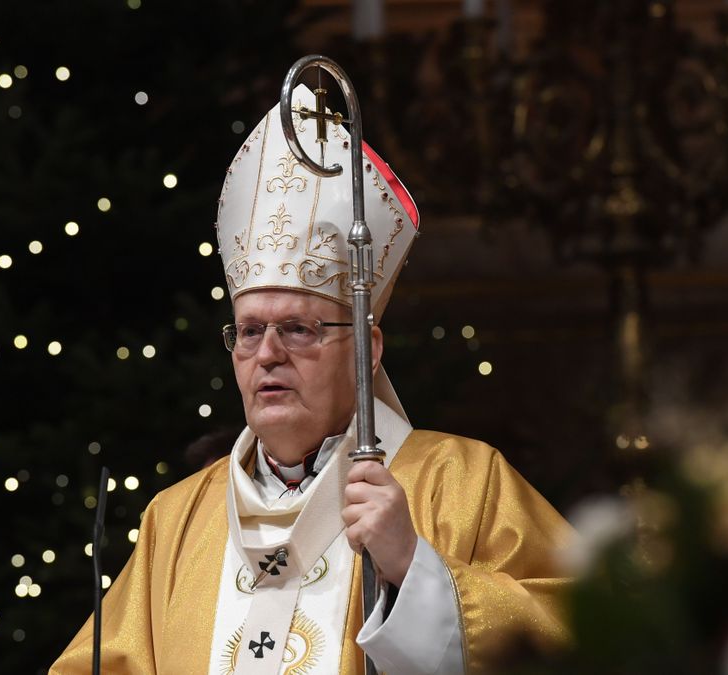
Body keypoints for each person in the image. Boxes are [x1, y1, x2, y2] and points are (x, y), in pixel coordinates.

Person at [50, 85, 573, 675]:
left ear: (367, 349)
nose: (267, 353)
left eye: (298, 329)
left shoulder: (463, 483)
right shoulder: (176, 519)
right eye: (248, 332)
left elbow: (584, 637)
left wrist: (414, 569)